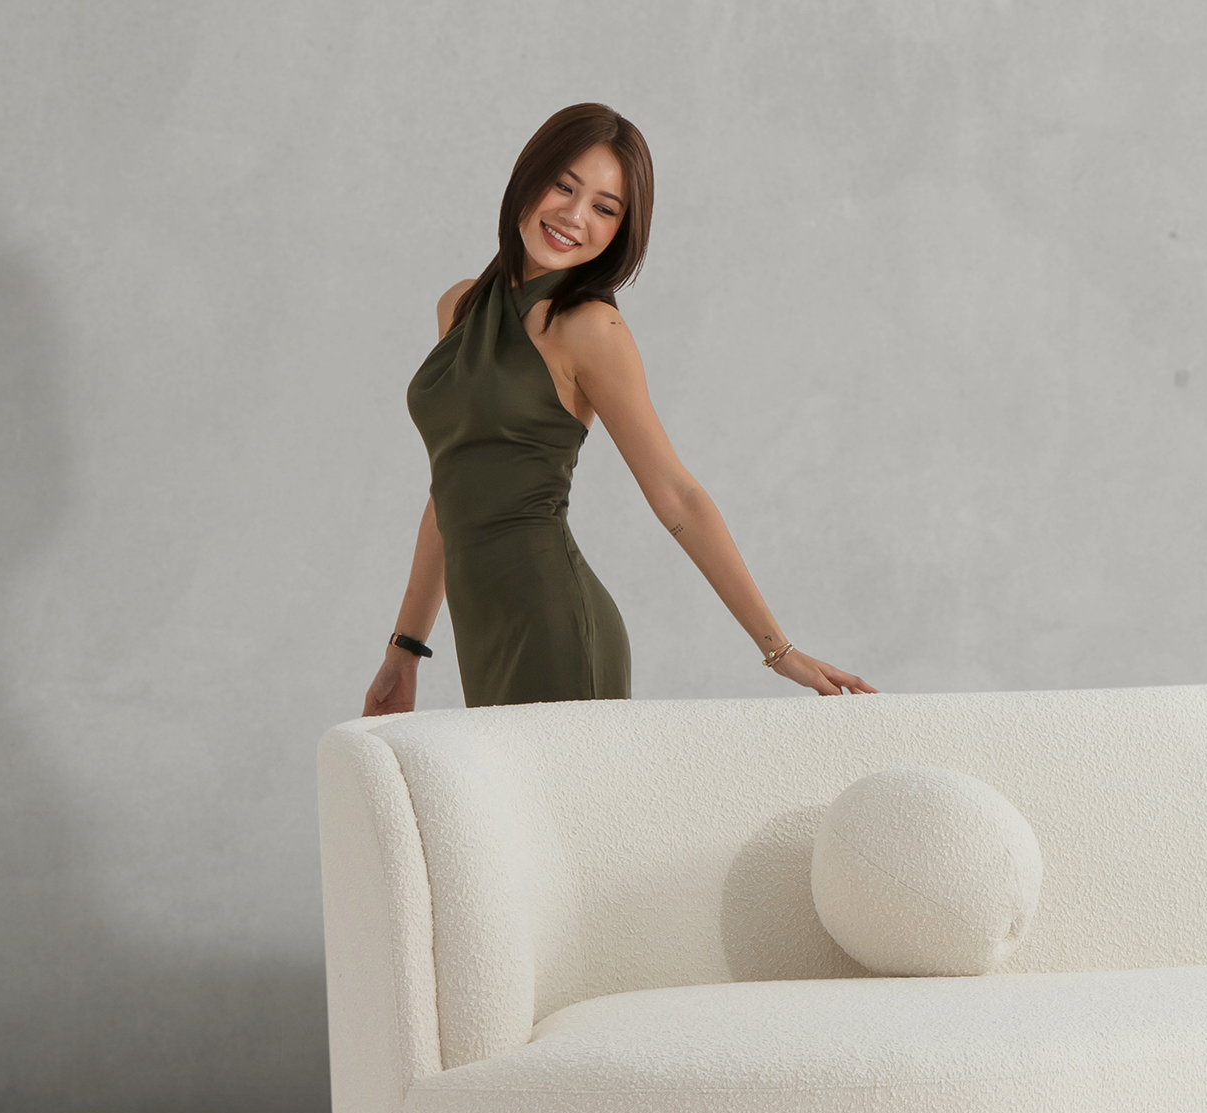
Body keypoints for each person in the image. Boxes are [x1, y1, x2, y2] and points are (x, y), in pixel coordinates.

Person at [365, 103, 872, 716]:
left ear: (622, 229)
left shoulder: (590, 329)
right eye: (564, 186)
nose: (574, 217)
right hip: (484, 633)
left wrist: (779, 650)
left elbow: (677, 495)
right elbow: (451, 490)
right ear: (528, 179)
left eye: (605, 208)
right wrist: (405, 649)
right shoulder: (461, 306)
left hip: (554, 626)